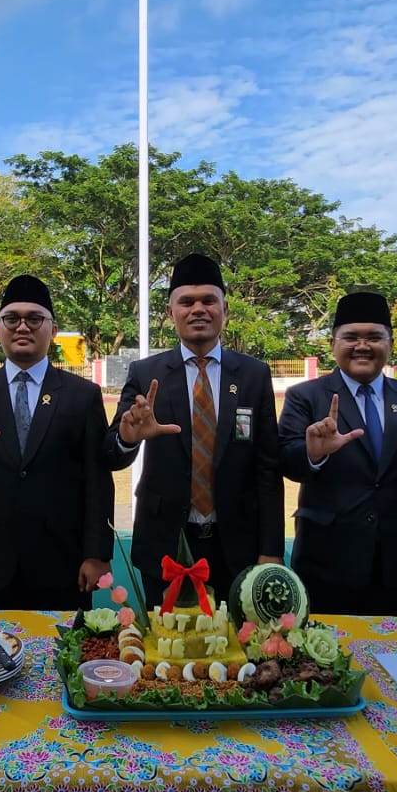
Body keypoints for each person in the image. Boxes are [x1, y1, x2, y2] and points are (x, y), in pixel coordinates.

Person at [106, 254, 283, 607]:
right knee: (164, 653)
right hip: (165, 544)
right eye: (186, 302)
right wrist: (128, 436)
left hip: (236, 546)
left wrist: (271, 550)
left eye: (208, 300)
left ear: (224, 308)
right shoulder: (146, 373)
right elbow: (110, 453)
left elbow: (268, 467)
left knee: (235, 653)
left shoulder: (252, 375)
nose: (198, 309)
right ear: (171, 313)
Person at [0, 274, 113, 610]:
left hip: (63, 562)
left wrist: (97, 553)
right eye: (12, 319)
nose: (23, 327)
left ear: (53, 330)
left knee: (62, 658)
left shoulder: (82, 396)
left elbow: (98, 480)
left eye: (34, 319)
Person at [279, 291, 397, 616]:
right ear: (333, 344)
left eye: (374, 337)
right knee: (319, 660)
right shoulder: (306, 397)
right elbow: (285, 458)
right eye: (351, 337)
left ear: (390, 343)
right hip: (325, 562)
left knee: (389, 657)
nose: (362, 345)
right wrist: (313, 454)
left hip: (393, 564)